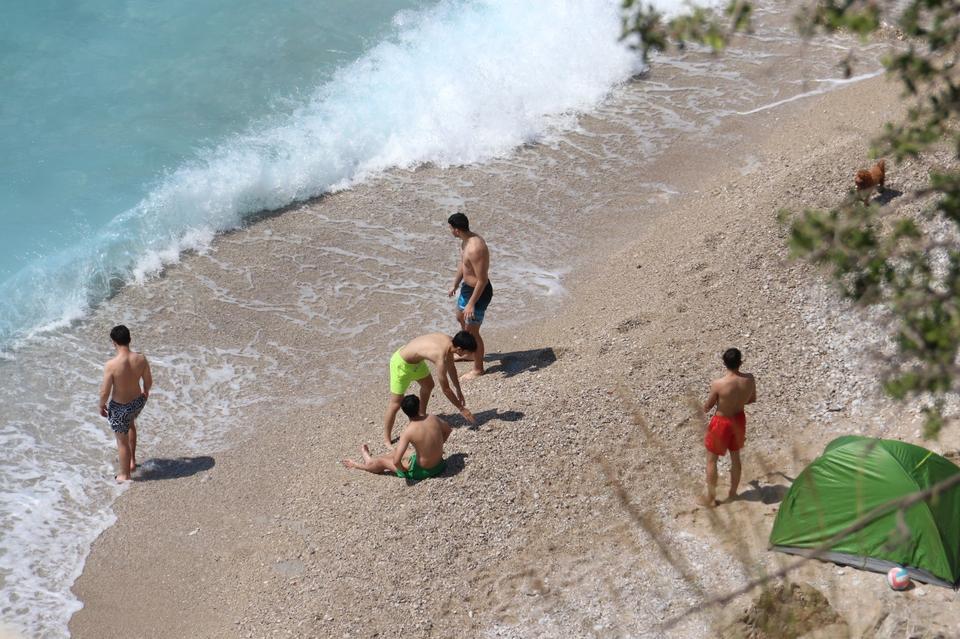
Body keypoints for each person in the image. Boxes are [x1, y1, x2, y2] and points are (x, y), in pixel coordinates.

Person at [383, 331, 477, 447]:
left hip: (416, 362)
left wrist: (458, 390)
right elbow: (446, 389)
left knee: (428, 385)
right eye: (468, 352)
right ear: (459, 349)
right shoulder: (440, 356)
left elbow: (452, 368)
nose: (469, 355)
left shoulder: (450, 342)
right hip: (401, 364)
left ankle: (421, 414)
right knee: (395, 404)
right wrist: (462, 409)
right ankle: (386, 439)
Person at [343, 395, 452, 479]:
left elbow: (396, 462)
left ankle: (361, 464)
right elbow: (448, 430)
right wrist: (436, 446)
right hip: (440, 464)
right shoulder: (432, 418)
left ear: (404, 412)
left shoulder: (408, 431)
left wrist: (403, 470)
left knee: (382, 462)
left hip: (424, 471)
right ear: (419, 406)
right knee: (400, 451)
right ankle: (373, 460)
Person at [701, 347, 756, 506]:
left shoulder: (718, 384)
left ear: (724, 363)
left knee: (712, 461)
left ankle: (711, 498)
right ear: (741, 362)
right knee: (735, 457)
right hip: (739, 419)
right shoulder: (750, 379)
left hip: (721, 422)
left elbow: (708, 406)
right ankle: (733, 493)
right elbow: (751, 399)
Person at [98, 325, 152, 483]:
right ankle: (132, 462)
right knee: (131, 425)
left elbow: (105, 392)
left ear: (113, 342)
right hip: (137, 403)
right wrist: (145, 392)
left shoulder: (112, 365)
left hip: (120, 408)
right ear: (130, 339)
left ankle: (125, 474)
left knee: (121, 441)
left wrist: (101, 405)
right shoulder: (141, 359)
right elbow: (148, 382)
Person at [446, 212, 492, 379]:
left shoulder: (475, 248)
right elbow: (463, 265)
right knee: (460, 316)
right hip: (467, 289)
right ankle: (468, 353)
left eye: (450, 228)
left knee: (473, 332)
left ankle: (478, 369)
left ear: (457, 230)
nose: (450, 231)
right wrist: (455, 284)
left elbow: (483, 280)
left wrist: (472, 303)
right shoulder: (464, 242)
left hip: (479, 292)